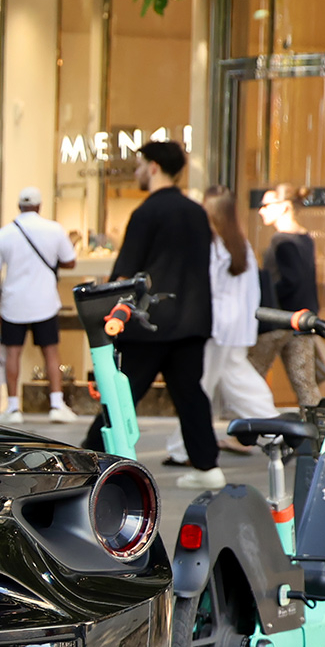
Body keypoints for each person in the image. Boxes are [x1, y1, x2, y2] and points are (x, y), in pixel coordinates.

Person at [99, 140, 221, 488]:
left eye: (139, 165)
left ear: (153, 167)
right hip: (192, 319)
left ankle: (88, 459)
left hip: (148, 320)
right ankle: (208, 467)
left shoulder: (146, 213)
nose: (137, 172)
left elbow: (125, 273)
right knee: (189, 393)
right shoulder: (196, 212)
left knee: (122, 391)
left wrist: (109, 309)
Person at [168, 187, 277, 462]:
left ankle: (183, 448)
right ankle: (277, 429)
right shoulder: (240, 244)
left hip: (216, 328)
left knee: (201, 386)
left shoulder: (214, 245)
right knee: (234, 381)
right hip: (235, 327)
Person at [0, 186, 80, 423]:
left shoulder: (3, 234)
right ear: (39, 206)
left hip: (14, 303)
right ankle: (56, 404)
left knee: (12, 353)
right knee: (51, 352)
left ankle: (13, 407)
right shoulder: (54, 229)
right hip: (45, 301)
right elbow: (70, 263)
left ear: (19, 207)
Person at [255, 185, 325, 407]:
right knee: (305, 385)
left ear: (284, 207)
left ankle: (248, 427)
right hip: (301, 321)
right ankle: (317, 431)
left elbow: (289, 281)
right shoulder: (305, 238)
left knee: (252, 375)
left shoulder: (282, 240)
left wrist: (264, 301)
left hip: (278, 321)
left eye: (266, 205)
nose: (261, 210)